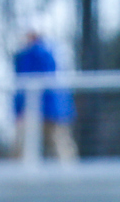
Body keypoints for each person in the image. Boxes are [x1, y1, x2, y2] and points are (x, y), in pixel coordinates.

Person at [12, 28, 77, 161]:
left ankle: (69, 178)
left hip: (44, 110)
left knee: (58, 145)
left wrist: (21, 109)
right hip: (50, 110)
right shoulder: (52, 52)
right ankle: (70, 177)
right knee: (60, 146)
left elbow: (27, 83)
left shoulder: (35, 54)